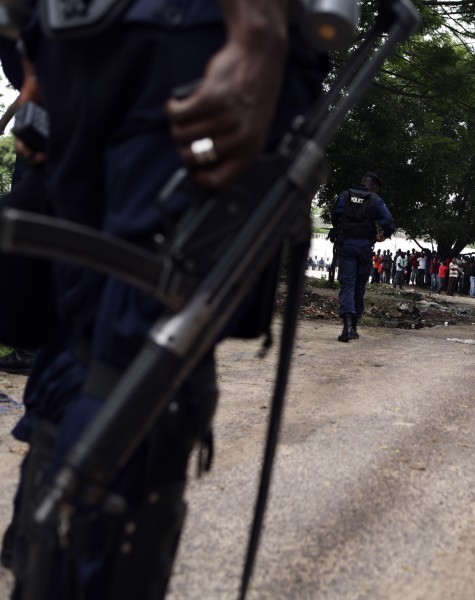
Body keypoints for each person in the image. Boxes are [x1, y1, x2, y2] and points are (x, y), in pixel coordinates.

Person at [5, 1, 331, 597]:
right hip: (124, 32)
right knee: (90, 342)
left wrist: (257, 30)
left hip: (156, 33)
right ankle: (51, 563)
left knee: (129, 365)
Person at [332, 172, 395, 342]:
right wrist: (385, 234)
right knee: (359, 286)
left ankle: (347, 327)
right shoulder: (375, 200)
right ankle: (354, 326)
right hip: (364, 248)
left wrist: (340, 230)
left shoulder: (344, 196)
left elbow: (335, 215)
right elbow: (388, 220)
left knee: (347, 284)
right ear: (373, 186)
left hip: (346, 246)